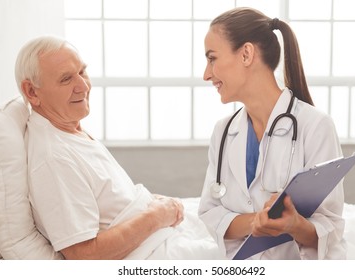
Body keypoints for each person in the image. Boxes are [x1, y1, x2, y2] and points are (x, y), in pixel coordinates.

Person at [16, 35, 220, 260]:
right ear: (32, 92)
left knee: (230, 218)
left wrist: (157, 205)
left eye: (82, 72)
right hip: (150, 253)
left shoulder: (68, 130)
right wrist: (157, 215)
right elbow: (85, 255)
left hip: (159, 231)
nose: (83, 86)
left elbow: (109, 198)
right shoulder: (53, 158)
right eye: (66, 79)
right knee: (248, 253)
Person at [198, 7, 346, 260]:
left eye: (212, 59)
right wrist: (258, 221)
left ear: (246, 54)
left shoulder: (315, 126)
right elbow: (211, 214)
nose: (206, 74)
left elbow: (329, 228)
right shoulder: (223, 132)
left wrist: (293, 225)